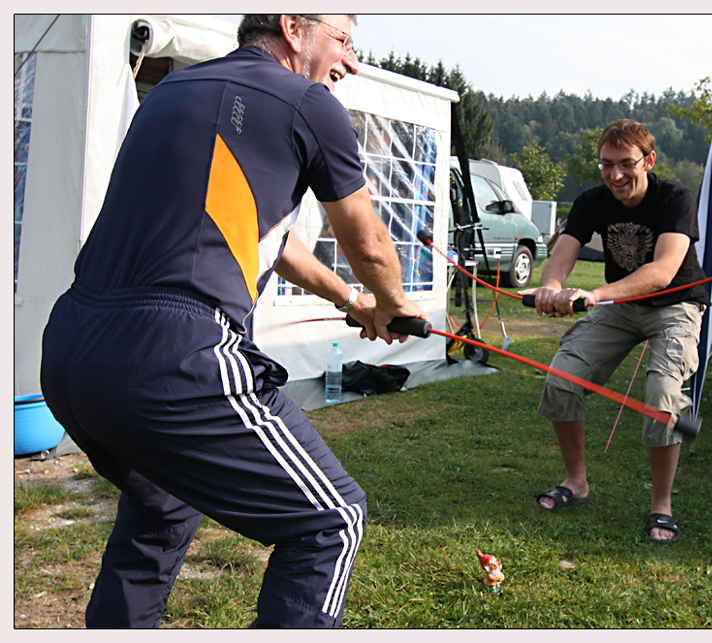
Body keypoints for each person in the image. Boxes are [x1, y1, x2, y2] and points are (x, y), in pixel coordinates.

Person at [40, 15, 427, 628]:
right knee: (332, 520)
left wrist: (350, 301)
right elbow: (371, 241)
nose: (351, 62)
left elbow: (263, 239)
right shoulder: (309, 103)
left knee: (163, 505)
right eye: (345, 40)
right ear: (293, 26)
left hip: (69, 350)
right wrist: (395, 304)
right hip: (176, 354)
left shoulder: (171, 92)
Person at [520, 119, 709, 544]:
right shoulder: (592, 201)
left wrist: (596, 293)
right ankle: (576, 483)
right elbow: (562, 256)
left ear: (650, 160)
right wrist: (551, 288)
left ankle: (661, 505)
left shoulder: (675, 198)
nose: (615, 175)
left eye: (626, 164)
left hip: (675, 305)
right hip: (620, 307)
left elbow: (662, 272)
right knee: (561, 379)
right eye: (606, 165)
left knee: (662, 397)